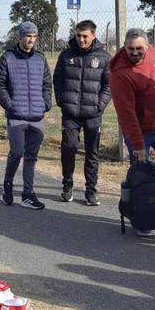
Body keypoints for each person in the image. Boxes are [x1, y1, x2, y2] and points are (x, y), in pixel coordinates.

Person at [0, 22, 52, 210]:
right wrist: (9, 105)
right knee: (17, 152)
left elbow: (47, 83)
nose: (31, 40)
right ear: (20, 37)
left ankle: (28, 193)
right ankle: (7, 184)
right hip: (16, 116)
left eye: (34, 36)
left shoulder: (40, 59)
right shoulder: (7, 58)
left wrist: (45, 103)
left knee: (31, 156)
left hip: (36, 116)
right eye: (28, 36)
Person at [53, 20, 111, 206]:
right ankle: (67, 185)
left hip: (93, 114)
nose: (81, 39)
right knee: (68, 148)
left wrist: (99, 105)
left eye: (85, 36)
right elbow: (57, 78)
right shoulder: (66, 55)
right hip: (70, 113)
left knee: (92, 153)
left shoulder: (104, 57)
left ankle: (91, 190)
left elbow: (109, 85)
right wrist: (61, 100)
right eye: (78, 35)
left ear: (93, 36)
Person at [109, 28, 155, 186]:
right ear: (124, 46)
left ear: (147, 45)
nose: (134, 52)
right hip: (140, 129)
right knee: (139, 171)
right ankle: (132, 197)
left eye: (139, 48)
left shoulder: (153, 53)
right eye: (130, 49)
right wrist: (138, 145)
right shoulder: (119, 74)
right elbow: (126, 114)